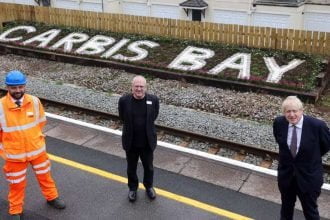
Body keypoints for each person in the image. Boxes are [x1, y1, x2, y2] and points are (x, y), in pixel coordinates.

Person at [0, 70, 66, 219]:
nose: (18, 91)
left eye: (20, 87)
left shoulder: (35, 101)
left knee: (45, 177)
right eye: (14, 88)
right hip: (14, 155)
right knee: (16, 184)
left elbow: (41, 122)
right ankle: (16, 210)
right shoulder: (0, 107)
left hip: (37, 150)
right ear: (7, 88)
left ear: (24, 86)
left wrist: (33, 138)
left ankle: (52, 197)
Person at [273, 96, 330, 220]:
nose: (292, 115)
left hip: (308, 178)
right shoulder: (279, 123)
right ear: (284, 113)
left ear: (302, 110)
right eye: (288, 111)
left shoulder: (317, 126)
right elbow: (280, 141)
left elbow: (326, 145)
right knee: (286, 209)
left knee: (310, 212)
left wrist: (311, 156)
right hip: (287, 177)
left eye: (295, 111)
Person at [118, 75, 159, 202]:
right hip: (131, 142)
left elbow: (154, 116)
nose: (139, 89)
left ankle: (149, 187)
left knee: (149, 167)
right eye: (136, 86)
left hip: (147, 143)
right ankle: (133, 188)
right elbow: (122, 117)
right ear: (132, 87)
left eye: (141, 86)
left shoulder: (153, 100)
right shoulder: (124, 100)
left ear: (145, 87)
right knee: (131, 168)